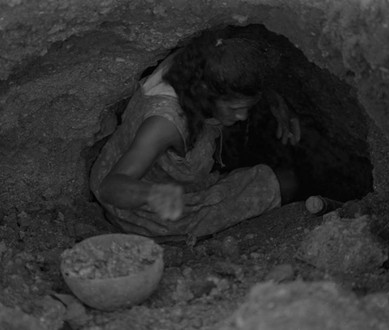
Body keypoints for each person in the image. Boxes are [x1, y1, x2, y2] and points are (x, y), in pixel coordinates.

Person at [90, 27, 301, 241]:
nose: (243, 116)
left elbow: (244, 79)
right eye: (235, 108)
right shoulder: (165, 124)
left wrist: (277, 102)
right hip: (143, 208)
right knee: (285, 183)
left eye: (248, 106)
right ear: (207, 93)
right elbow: (111, 187)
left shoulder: (202, 62)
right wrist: (154, 195)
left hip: (152, 173)